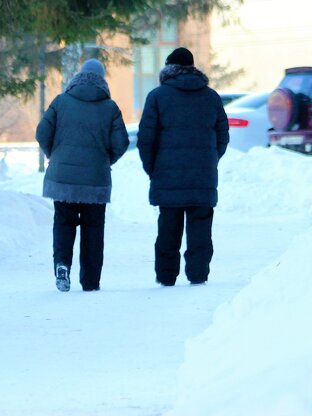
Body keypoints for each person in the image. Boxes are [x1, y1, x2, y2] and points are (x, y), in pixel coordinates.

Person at [136, 46, 229, 286]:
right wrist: (209, 159)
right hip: (203, 176)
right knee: (200, 227)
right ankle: (198, 275)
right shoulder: (210, 96)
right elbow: (222, 136)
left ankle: (167, 276)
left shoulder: (157, 97)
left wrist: (153, 167)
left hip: (167, 176)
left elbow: (145, 138)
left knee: (168, 227)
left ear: (169, 67)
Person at [35, 58, 129, 292]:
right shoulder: (110, 107)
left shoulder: (61, 101)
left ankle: (62, 265)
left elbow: (42, 132)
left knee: (64, 224)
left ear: (78, 76)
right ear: (102, 80)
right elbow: (121, 143)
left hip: (63, 178)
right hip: (95, 181)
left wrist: (53, 155)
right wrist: (106, 160)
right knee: (93, 229)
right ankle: (90, 281)